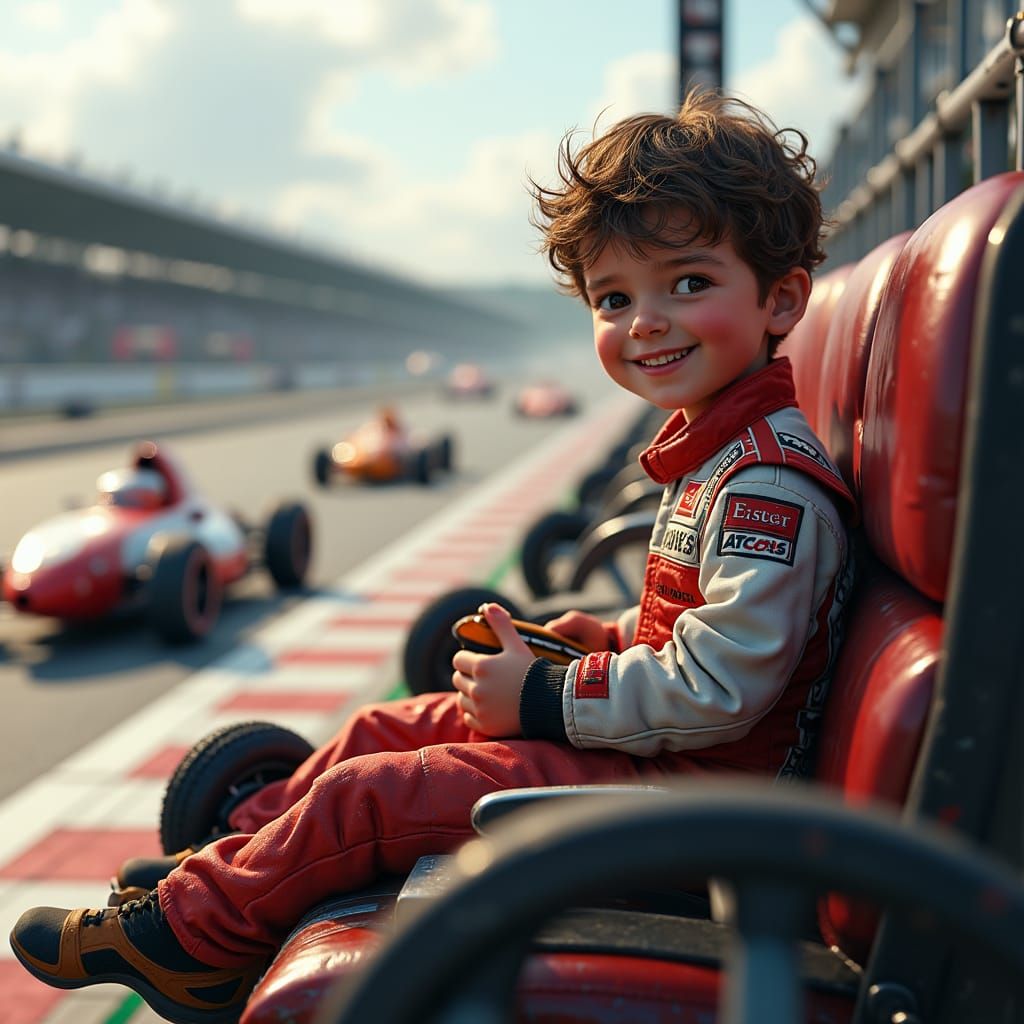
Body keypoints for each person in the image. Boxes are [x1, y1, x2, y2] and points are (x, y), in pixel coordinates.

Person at [9, 90, 855, 1023]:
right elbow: (703, 635)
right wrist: (584, 636)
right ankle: (226, 868)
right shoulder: (723, 455)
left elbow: (719, 690)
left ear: (782, 299)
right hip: (664, 768)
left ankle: (192, 944)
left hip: (696, 813)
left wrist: (544, 694)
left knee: (374, 791)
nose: (646, 321)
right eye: (615, 298)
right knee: (382, 730)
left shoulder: (767, 486)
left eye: (688, 284)